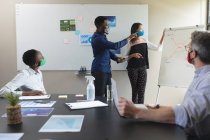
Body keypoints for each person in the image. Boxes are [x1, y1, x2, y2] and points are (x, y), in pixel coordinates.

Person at [118, 31, 210, 139]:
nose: (187, 51)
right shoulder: (201, 75)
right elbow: (188, 108)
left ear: (194, 54)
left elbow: (185, 115)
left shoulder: (207, 80)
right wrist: (158, 109)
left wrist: (136, 112)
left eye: (188, 48)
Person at [91, 16, 137, 97]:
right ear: (100, 26)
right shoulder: (97, 39)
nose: (108, 27)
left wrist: (116, 58)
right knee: (100, 95)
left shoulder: (103, 37)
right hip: (99, 70)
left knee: (108, 94)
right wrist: (128, 38)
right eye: (107, 25)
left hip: (106, 70)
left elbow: (107, 51)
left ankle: (105, 110)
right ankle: (98, 110)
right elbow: (115, 46)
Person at [125, 22, 165, 104]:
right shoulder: (130, 42)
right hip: (132, 69)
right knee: (135, 90)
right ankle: (134, 111)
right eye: (140, 29)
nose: (142, 30)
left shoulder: (144, 40)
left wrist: (163, 35)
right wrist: (133, 55)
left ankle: (140, 111)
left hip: (142, 67)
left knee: (141, 91)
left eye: (142, 29)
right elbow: (124, 57)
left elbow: (158, 48)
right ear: (135, 30)